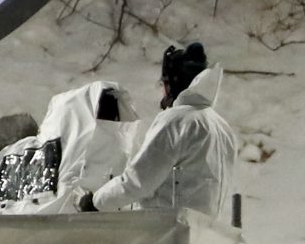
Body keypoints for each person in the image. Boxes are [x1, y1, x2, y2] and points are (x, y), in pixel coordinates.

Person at [76, 42, 236, 215]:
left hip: (166, 231)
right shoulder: (222, 128)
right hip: (201, 233)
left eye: (163, 84)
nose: (162, 92)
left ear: (173, 83)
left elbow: (139, 180)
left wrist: (97, 202)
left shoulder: (177, 121)